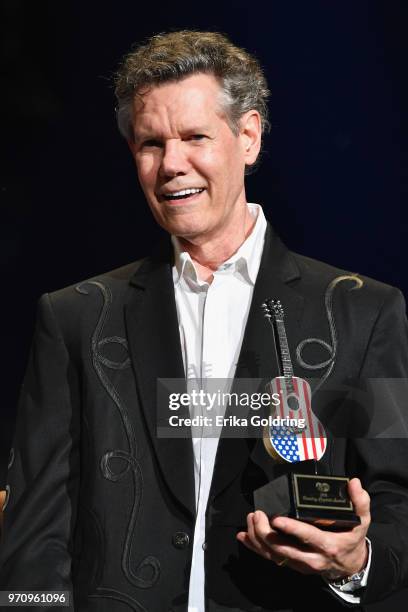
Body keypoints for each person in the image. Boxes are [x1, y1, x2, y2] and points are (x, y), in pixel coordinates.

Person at [1, 30, 408, 612]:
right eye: (150, 143)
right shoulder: (75, 316)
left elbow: (400, 498)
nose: (171, 164)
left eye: (194, 137)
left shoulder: (365, 311)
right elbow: (33, 529)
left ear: (248, 137)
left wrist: (358, 562)